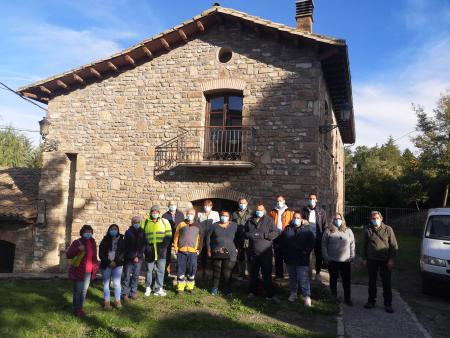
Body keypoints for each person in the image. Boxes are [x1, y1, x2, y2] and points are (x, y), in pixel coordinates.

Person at [362, 211, 398, 313]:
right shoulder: (368, 230)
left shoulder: (388, 229)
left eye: (377, 218)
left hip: (385, 260)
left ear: (381, 219)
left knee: (386, 282)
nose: (375, 220)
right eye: (373, 218)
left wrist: (391, 259)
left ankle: (388, 304)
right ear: (370, 219)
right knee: (372, 282)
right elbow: (364, 246)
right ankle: (371, 301)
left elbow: (394, 246)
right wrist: (364, 259)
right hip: (371, 259)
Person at [245, 203, 279, 303]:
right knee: (253, 274)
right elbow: (245, 234)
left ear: (264, 210)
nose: (259, 211)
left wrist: (265, 235)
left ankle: (269, 294)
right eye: (257, 210)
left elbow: (275, 233)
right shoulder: (250, 220)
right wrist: (249, 238)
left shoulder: (269, 220)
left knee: (267, 274)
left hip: (265, 253)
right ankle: (252, 292)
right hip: (253, 252)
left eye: (261, 210)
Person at [281, 212, 315, 307]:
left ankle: (307, 296)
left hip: (302, 259)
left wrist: (306, 251)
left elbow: (312, 242)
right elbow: (282, 242)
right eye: (295, 217)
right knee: (292, 278)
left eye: (298, 218)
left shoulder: (307, 230)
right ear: (292, 219)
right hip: (290, 258)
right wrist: (285, 253)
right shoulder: (287, 229)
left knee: (303, 278)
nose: (296, 219)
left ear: (301, 219)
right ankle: (293, 293)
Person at [322, 213, 355, 306]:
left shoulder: (348, 231)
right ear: (333, 220)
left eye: (339, 218)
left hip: (345, 261)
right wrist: (326, 257)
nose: (338, 220)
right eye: (336, 219)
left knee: (346, 281)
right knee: (333, 280)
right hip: (332, 260)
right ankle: (333, 297)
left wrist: (352, 256)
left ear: (342, 219)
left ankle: (347, 298)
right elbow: (323, 245)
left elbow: (352, 244)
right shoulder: (328, 231)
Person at [66, 224, 99, 317]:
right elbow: (68, 255)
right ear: (82, 233)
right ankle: (77, 309)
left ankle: (80, 308)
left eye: (90, 232)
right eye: (86, 232)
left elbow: (94, 256)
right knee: (78, 291)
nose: (88, 234)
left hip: (89, 271)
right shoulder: (77, 242)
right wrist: (77, 249)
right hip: (79, 270)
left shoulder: (93, 242)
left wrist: (95, 267)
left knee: (84, 291)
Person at [141, 205, 172, 297]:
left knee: (161, 270)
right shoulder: (145, 222)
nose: (155, 213)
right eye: (153, 211)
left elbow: (169, 234)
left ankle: (158, 288)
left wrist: (164, 246)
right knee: (149, 270)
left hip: (161, 249)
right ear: (151, 212)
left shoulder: (164, 221)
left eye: (156, 212)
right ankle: (148, 287)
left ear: (159, 213)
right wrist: (145, 246)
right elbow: (141, 235)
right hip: (149, 249)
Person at [207, 210, 238, 297]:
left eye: (226, 216)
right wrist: (209, 249)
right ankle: (214, 288)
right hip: (217, 251)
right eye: (222, 215)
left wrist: (237, 247)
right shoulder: (214, 226)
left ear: (229, 217)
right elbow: (208, 238)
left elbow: (238, 236)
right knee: (217, 270)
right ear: (220, 216)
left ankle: (228, 290)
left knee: (227, 272)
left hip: (230, 252)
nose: (224, 217)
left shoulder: (234, 225)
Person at [173, 209, 203, 293]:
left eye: (192, 214)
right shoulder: (181, 224)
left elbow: (201, 239)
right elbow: (176, 237)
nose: (190, 215)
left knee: (192, 269)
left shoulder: (198, 225)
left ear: (195, 215)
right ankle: (180, 288)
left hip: (193, 252)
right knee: (180, 269)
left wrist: (198, 249)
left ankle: (190, 287)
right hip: (181, 251)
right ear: (186, 214)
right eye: (188, 213)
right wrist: (176, 248)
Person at [302, 193, 327, 283]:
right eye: (310, 198)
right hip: (308, 238)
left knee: (318, 256)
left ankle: (318, 273)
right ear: (308, 200)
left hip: (318, 237)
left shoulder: (321, 211)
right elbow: (302, 223)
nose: (312, 200)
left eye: (313, 198)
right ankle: (307, 273)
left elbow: (324, 225)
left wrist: (323, 236)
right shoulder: (304, 210)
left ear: (316, 200)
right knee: (307, 256)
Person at [99, 224, 125, 310]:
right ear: (109, 230)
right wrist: (109, 262)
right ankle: (107, 301)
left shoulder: (122, 240)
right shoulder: (105, 240)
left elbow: (123, 253)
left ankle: (117, 301)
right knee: (106, 284)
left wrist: (116, 262)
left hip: (117, 265)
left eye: (115, 229)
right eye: (111, 229)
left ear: (118, 230)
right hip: (106, 264)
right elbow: (101, 254)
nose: (113, 231)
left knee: (117, 283)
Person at [269, 195, 294, 279]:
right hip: (276, 236)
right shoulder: (273, 212)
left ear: (284, 201)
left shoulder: (290, 212)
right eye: (277, 201)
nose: (279, 202)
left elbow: (292, 223)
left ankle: (290, 274)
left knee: (287, 255)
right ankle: (279, 275)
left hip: (286, 236)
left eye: (280, 200)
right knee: (278, 256)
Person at [122, 216, 146, 302]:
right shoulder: (128, 232)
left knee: (136, 276)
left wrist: (138, 256)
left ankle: (133, 292)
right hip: (129, 258)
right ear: (132, 223)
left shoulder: (143, 232)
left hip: (139, 258)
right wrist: (133, 256)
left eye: (138, 222)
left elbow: (144, 245)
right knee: (127, 276)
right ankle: (125, 293)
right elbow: (126, 246)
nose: (137, 224)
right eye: (135, 222)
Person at [197, 200, 220, 278]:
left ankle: (213, 270)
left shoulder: (215, 213)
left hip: (212, 236)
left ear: (211, 206)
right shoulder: (200, 214)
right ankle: (203, 269)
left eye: (208, 205)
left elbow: (217, 224)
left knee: (212, 251)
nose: (206, 207)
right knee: (203, 252)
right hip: (202, 236)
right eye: (205, 205)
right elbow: (197, 223)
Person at [162, 201, 185, 277]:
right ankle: (166, 274)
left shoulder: (181, 215)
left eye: (174, 204)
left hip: (178, 237)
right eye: (171, 205)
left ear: (176, 205)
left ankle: (179, 274)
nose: (172, 206)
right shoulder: (164, 216)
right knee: (166, 255)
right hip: (167, 236)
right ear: (168, 206)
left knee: (179, 255)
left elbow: (183, 226)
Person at [232, 197, 252, 279]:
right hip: (237, 238)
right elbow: (232, 225)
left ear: (247, 203)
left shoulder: (250, 213)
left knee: (247, 254)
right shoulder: (234, 213)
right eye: (240, 203)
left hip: (246, 238)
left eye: (244, 203)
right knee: (240, 255)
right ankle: (241, 273)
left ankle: (248, 273)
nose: (242, 204)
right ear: (238, 204)